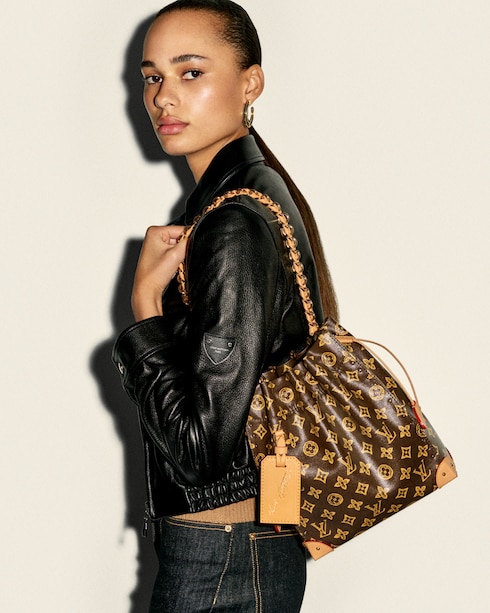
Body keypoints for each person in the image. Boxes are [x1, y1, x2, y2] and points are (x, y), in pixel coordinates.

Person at [113, 1, 338, 611]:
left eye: (191, 72)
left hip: (223, 553)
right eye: (152, 76)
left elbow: (198, 451)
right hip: (240, 542)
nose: (163, 97)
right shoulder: (246, 198)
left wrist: (144, 306)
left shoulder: (233, 222)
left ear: (250, 83)